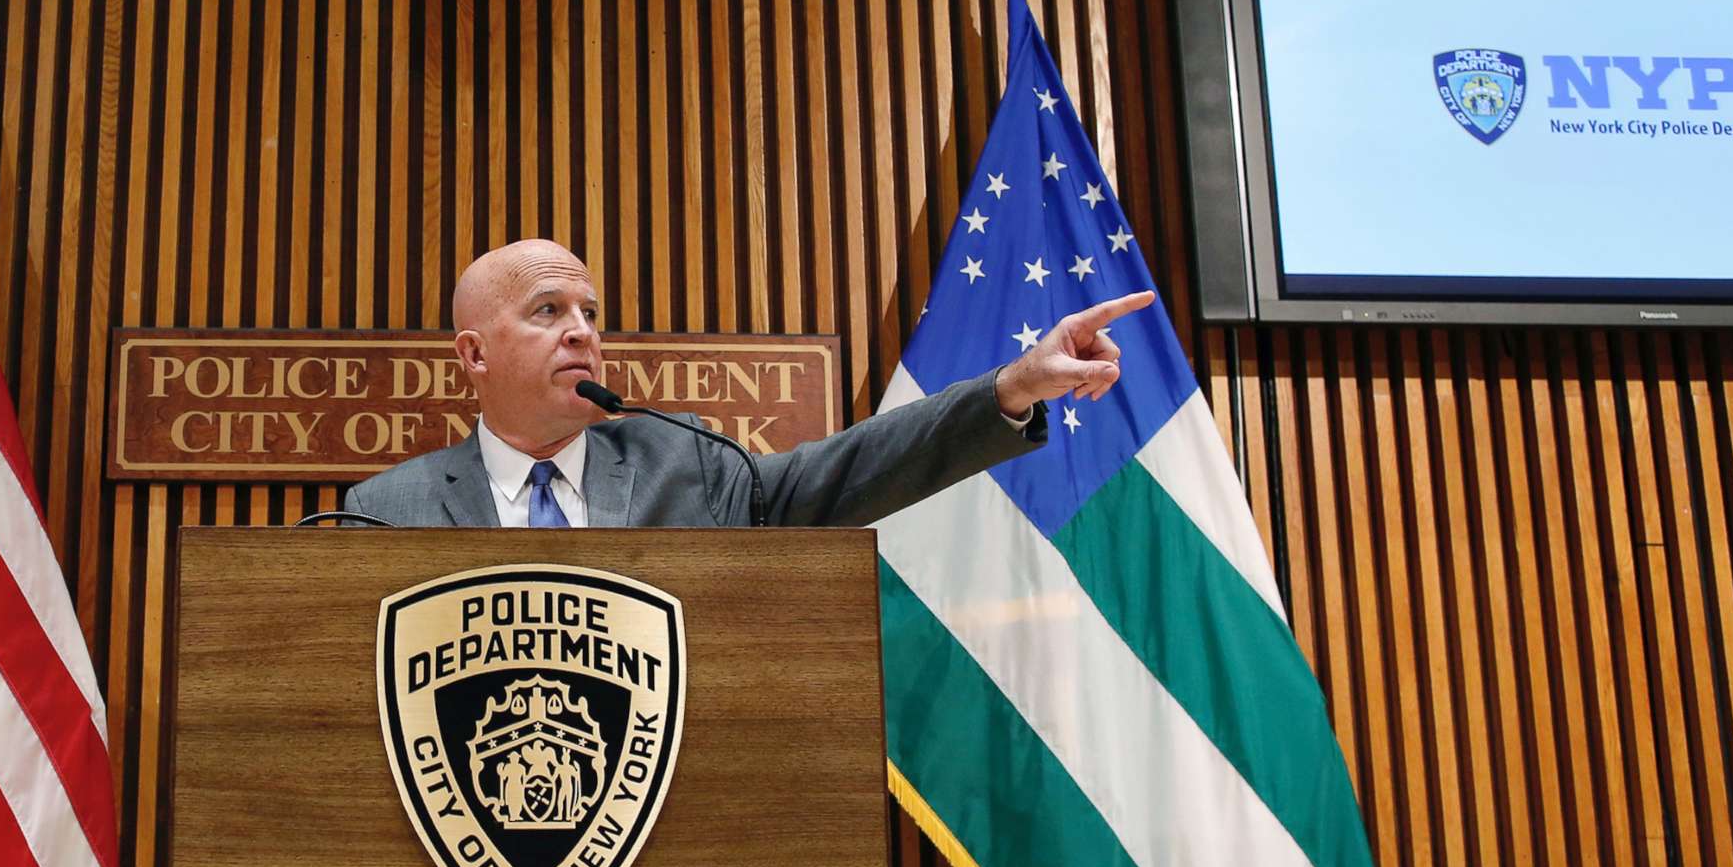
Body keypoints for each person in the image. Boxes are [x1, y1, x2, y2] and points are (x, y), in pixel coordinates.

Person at [343, 238, 1151, 528]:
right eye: (547, 310)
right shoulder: (386, 512)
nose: (582, 331)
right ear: (475, 356)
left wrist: (1010, 386)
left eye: (590, 311)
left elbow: (851, 469)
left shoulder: (684, 463)